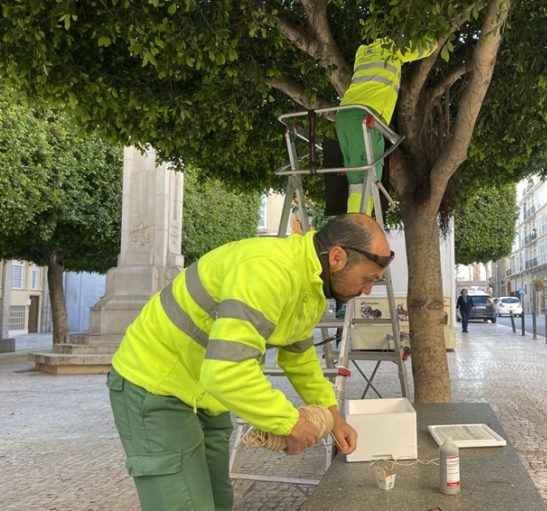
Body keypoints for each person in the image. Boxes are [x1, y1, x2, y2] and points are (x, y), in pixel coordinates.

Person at [107, 213, 394, 511]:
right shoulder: (269, 270)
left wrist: (334, 418)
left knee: (218, 502)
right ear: (337, 257)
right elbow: (226, 371)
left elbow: (300, 359)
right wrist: (290, 422)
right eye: (367, 278)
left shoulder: (311, 288)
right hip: (154, 384)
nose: (368, 290)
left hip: (205, 397)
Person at [336, 37, 437, 214]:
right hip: (366, 116)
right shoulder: (392, 47)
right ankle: (358, 229)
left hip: (344, 115)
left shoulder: (362, 52)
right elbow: (426, 47)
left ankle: (355, 222)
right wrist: (435, 36)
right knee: (368, 174)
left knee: (355, 177)